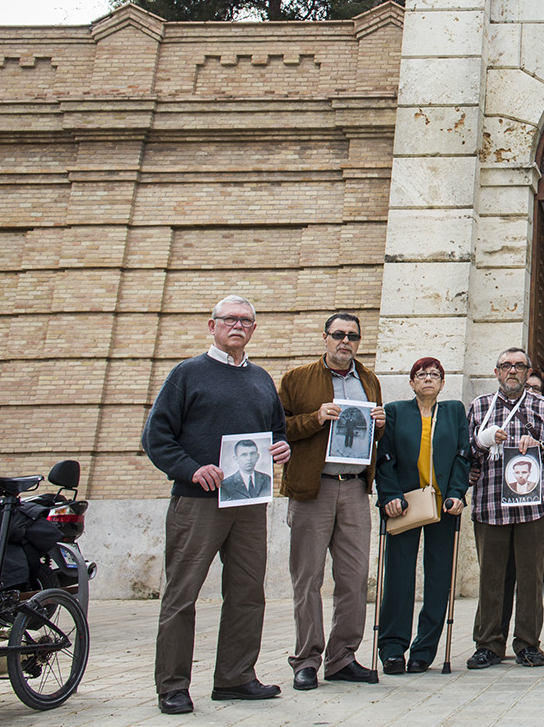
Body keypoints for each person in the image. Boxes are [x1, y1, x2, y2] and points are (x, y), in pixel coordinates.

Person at [141, 295, 290, 716]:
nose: (238, 326)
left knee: (248, 593)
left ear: (254, 330)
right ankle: (172, 686)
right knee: (181, 595)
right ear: (212, 326)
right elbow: (156, 438)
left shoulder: (261, 379)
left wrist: (282, 449)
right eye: (230, 319)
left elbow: (277, 431)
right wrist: (191, 470)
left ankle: (235, 677)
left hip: (249, 503)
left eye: (246, 321)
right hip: (198, 503)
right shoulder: (187, 375)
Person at [277, 313, 385, 691]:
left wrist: (380, 423)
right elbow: (279, 430)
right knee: (307, 578)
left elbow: (373, 438)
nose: (345, 341)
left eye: (352, 336)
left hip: (354, 488)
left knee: (354, 579)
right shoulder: (297, 379)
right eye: (338, 335)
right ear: (324, 338)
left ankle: (342, 658)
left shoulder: (369, 380)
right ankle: (306, 659)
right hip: (313, 489)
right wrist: (315, 418)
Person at [466, 347, 544, 670]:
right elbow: (464, 454)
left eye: (519, 366)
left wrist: (539, 446)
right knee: (491, 578)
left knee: (530, 577)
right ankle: (488, 644)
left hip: (533, 507)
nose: (512, 371)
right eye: (506, 366)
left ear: (527, 373)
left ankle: (528, 643)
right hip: (490, 503)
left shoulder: (543, 407)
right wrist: (482, 441)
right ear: (496, 372)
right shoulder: (480, 406)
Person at [374, 357, 470, 674]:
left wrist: (457, 493)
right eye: (421, 375)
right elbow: (384, 458)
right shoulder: (396, 411)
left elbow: (462, 456)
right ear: (412, 382)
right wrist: (389, 496)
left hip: (443, 506)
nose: (428, 379)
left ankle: (424, 650)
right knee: (399, 577)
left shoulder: (454, 410)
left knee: (438, 579)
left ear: (442, 383)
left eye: (434, 375)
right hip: (404, 505)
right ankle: (391, 648)